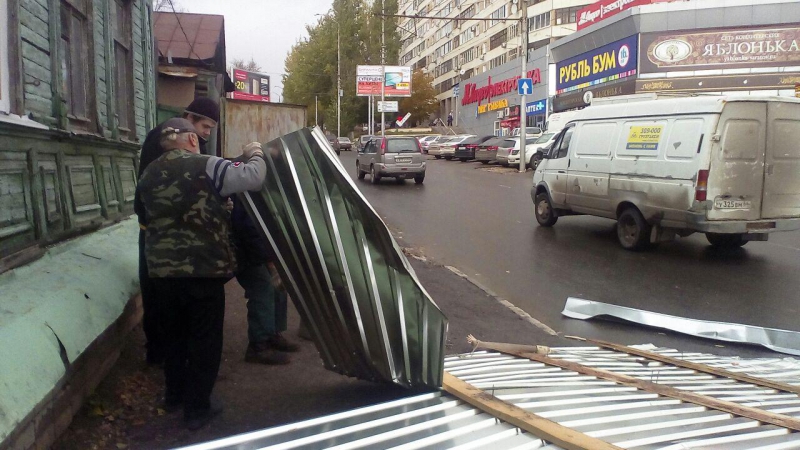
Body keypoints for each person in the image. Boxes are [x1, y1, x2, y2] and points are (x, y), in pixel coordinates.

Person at [137, 118, 266, 430]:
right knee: (204, 340)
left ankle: (174, 396)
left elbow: (143, 216)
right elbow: (254, 177)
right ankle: (197, 409)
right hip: (204, 270)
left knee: (175, 336)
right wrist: (256, 151)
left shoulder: (147, 175)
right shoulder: (207, 165)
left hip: (163, 272)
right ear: (192, 140)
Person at [136, 98, 221, 365]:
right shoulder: (160, 140)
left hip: (183, 234)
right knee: (157, 296)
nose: (207, 133)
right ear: (189, 119)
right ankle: (158, 352)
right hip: (157, 230)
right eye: (205, 126)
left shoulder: (197, 144)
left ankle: (177, 358)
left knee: (173, 301)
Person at [230, 195, 300, 365]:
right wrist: (268, 259)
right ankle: (258, 345)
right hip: (244, 252)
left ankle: (273, 334)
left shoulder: (265, 192)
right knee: (263, 288)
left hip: (259, 249)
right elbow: (248, 230)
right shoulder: (245, 194)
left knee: (278, 286)